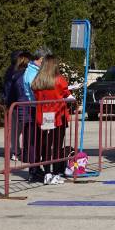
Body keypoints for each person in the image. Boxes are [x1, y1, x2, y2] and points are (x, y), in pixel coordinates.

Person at [31, 55, 72, 185]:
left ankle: (47, 173)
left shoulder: (38, 80)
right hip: (58, 115)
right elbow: (67, 94)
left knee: (46, 145)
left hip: (43, 115)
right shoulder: (59, 79)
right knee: (57, 146)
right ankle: (55, 173)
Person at [10, 52, 44, 182]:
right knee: (31, 140)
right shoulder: (29, 73)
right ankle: (33, 170)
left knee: (32, 140)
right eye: (42, 61)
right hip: (29, 108)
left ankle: (35, 168)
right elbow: (32, 89)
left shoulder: (26, 72)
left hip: (28, 108)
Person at [3, 50, 25, 161]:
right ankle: (16, 151)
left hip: (15, 103)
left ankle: (17, 151)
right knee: (16, 129)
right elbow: (8, 88)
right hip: (15, 103)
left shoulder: (13, 71)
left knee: (17, 129)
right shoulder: (14, 71)